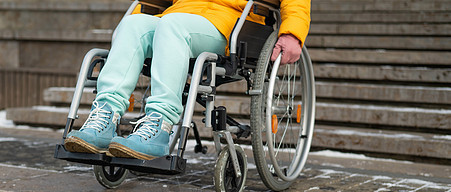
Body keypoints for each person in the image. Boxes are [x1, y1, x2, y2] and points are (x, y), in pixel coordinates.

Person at [64, 0, 311, 160]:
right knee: (131, 24)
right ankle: (105, 117)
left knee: (172, 26)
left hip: (231, 24)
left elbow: (296, 4)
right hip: (177, 15)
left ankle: (159, 126)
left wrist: (292, 32)